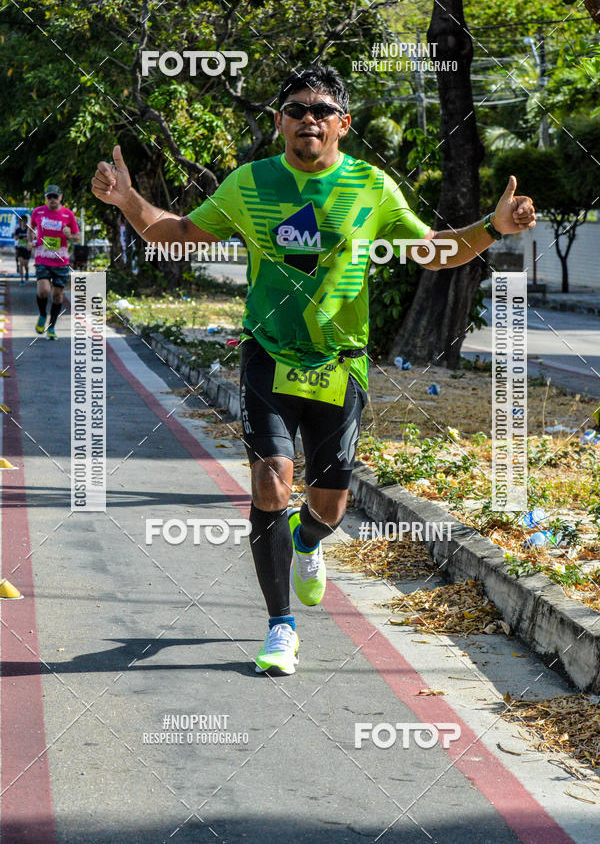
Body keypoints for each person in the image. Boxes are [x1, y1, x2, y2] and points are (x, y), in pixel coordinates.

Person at [91, 65, 536, 675]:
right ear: (279, 123)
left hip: (341, 363)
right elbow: (182, 232)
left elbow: (432, 252)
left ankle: (307, 541)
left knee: (328, 506)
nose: (308, 118)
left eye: (321, 110)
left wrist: (493, 228)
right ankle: (280, 627)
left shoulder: (372, 187)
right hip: (267, 355)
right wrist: (128, 200)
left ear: (343, 125)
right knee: (271, 482)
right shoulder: (250, 183)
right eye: (296, 109)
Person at [28, 184, 80, 340]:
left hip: (61, 261)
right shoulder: (38, 212)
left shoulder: (68, 215)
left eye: (55, 197)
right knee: (43, 290)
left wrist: (70, 235)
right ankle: (43, 315)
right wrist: (30, 241)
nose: (52, 199)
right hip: (42, 258)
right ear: (46, 198)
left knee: (58, 296)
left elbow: (78, 237)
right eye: (49, 196)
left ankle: (51, 327)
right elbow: (30, 228)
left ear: (60, 197)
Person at [13, 214, 31, 283]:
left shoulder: (29, 229)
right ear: (20, 222)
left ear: (26, 222)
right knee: (20, 263)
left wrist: (27, 238)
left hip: (27, 249)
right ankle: (22, 279)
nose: (23, 223)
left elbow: (32, 238)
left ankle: (26, 273)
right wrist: (18, 237)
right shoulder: (18, 229)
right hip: (20, 248)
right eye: (21, 221)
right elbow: (15, 238)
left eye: (24, 221)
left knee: (25, 265)